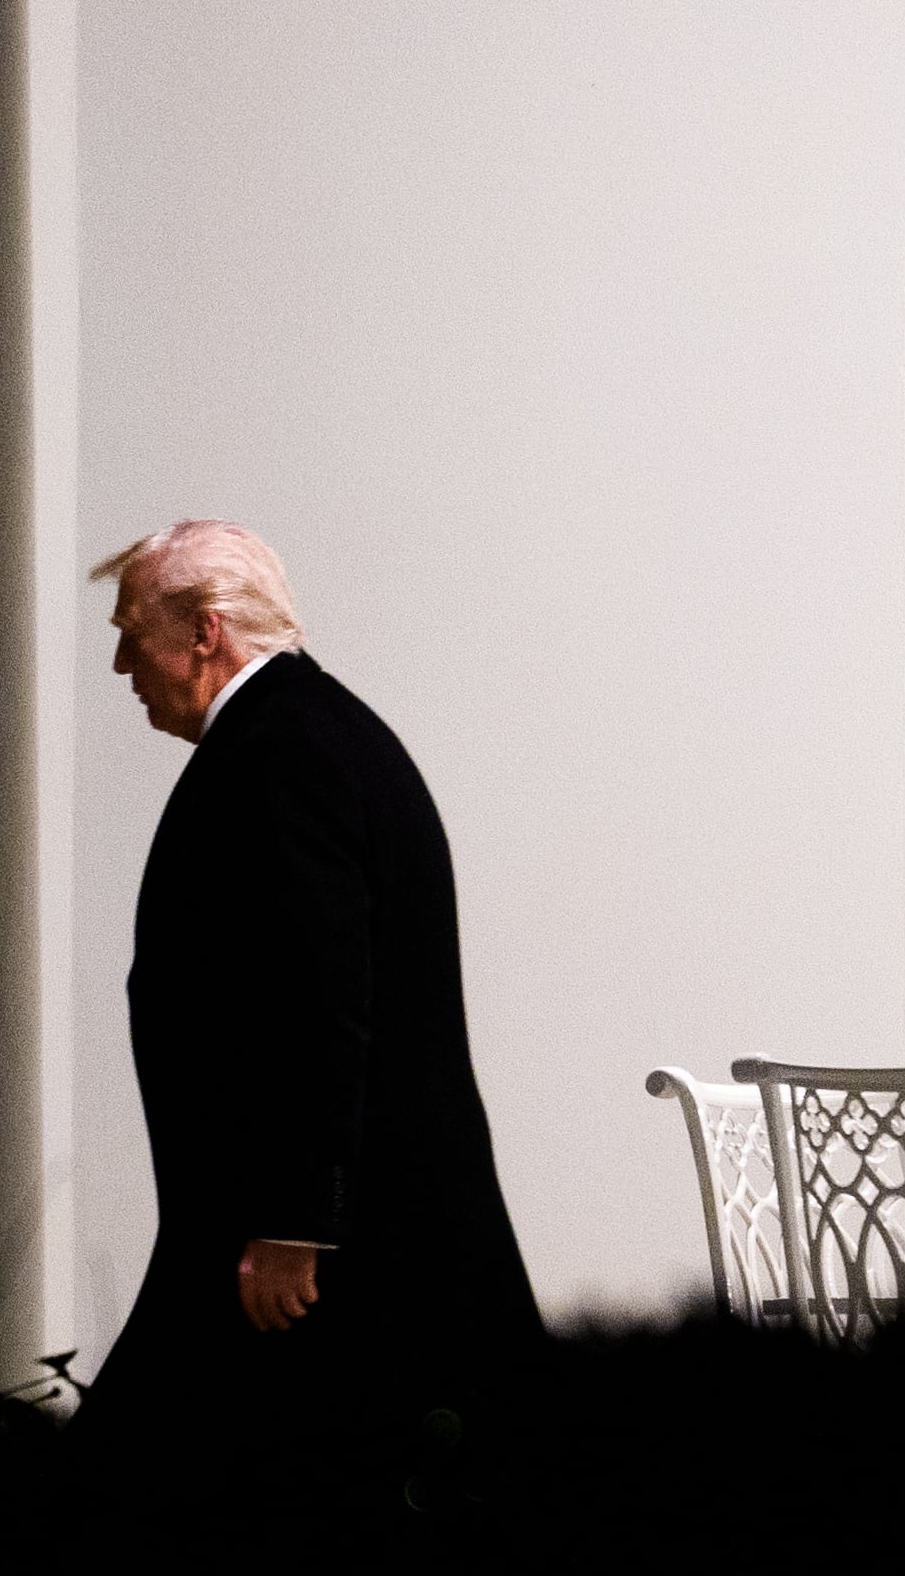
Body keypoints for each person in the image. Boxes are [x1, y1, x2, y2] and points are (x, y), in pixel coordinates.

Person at [70, 519, 541, 1536]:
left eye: (130, 631)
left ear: (203, 632)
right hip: (320, 1231)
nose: (119, 663)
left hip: (310, 1245)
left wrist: (297, 1217)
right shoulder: (319, 733)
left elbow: (323, 992)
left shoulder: (281, 752)